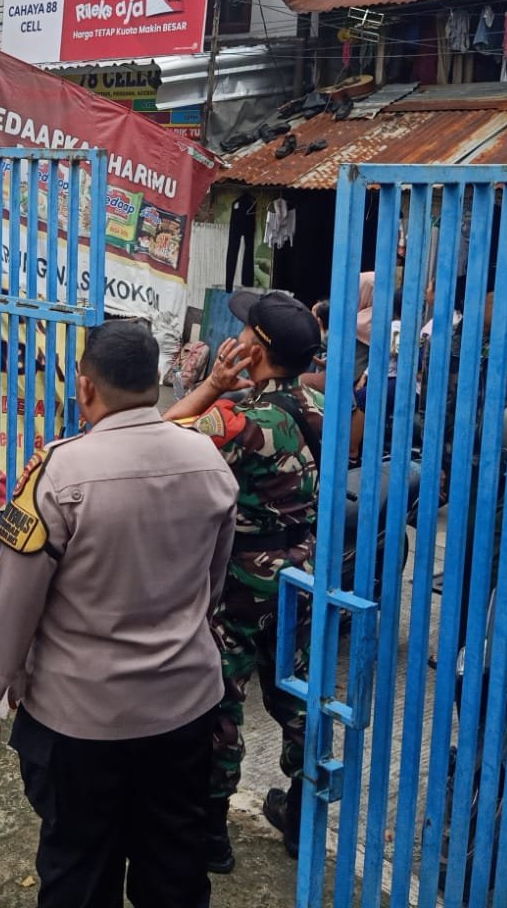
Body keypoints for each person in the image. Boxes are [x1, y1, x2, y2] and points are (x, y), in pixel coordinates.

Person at [0, 320, 238, 908]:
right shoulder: (208, 459)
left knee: (78, 868)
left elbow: (15, 594)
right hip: (184, 704)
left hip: (80, 718)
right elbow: (212, 582)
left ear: (86, 387)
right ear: (156, 380)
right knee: (174, 865)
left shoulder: (59, 472)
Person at [163, 289, 325, 868]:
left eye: (246, 334)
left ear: (256, 352)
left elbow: (157, 437)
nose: (238, 337)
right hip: (301, 572)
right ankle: (303, 820)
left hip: (242, 580)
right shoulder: (317, 407)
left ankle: (211, 833)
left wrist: (211, 385)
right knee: (297, 691)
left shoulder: (242, 421)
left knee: (222, 699)